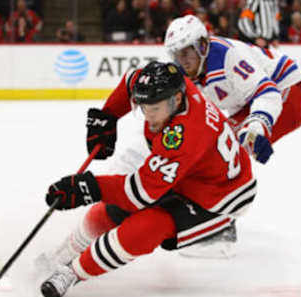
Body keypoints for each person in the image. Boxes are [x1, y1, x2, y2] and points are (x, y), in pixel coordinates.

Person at [39, 61, 257, 297]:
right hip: (192, 174)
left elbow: (140, 194)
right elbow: (131, 79)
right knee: (112, 210)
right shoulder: (173, 86)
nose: (148, 117)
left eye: (155, 109)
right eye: (144, 108)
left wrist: (88, 188)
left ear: (175, 100)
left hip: (220, 199)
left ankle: (72, 273)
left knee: (148, 226)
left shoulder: (184, 136)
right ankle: (59, 257)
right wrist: (108, 115)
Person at [164, 14, 301, 257]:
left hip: (285, 93)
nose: (182, 60)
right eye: (177, 54)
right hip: (250, 102)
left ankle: (220, 228)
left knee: (223, 150)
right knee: (213, 147)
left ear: (202, 45)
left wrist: (257, 126)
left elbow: (267, 92)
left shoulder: (227, 56)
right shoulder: (184, 71)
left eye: (187, 51)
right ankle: (214, 219)